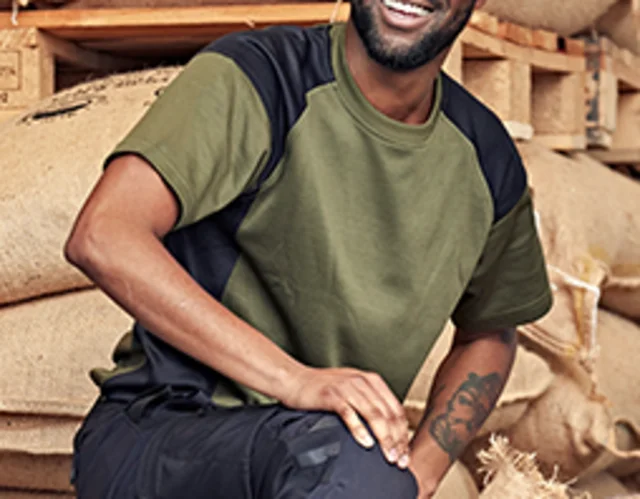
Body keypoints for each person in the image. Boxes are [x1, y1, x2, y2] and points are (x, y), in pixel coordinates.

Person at [64, 0, 552, 496]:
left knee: (358, 470)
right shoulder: (260, 76)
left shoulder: (486, 160)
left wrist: (421, 473)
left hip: (330, 461)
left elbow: (489, 332)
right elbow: (104, 235)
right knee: (343, 462)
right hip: (164, 427)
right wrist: (294, 381)